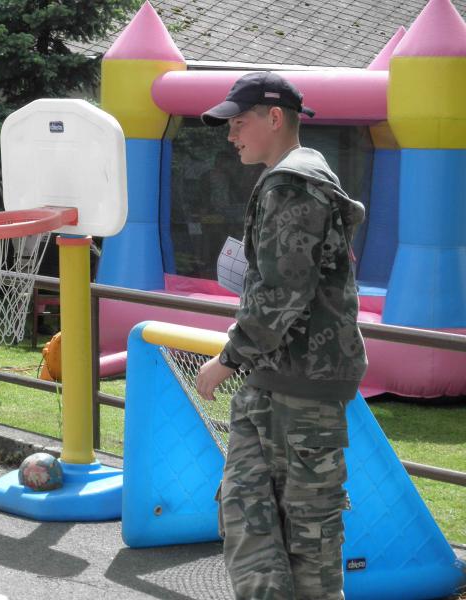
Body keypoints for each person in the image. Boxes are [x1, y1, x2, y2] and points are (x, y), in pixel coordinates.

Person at [195, 72, 367, 600]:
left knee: (307, 545)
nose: (231, 135)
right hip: (275, 382)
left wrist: (228, 358)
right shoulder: (288, 179)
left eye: (238, 122)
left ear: (274, 118)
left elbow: (283, 292)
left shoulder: (293, 184)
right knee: (248, 517)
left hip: (301, 391)